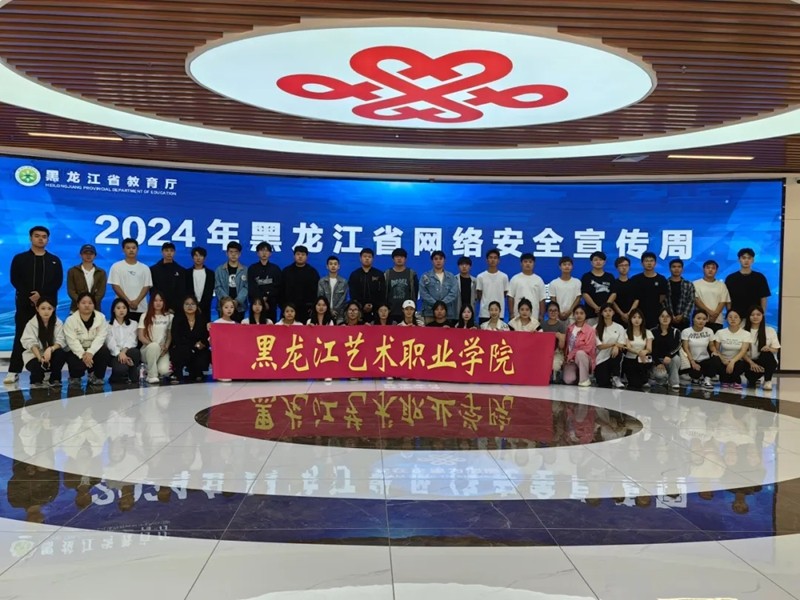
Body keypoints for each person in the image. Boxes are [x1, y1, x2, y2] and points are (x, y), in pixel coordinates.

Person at [6, 225, 63, 385]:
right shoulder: (20, 258)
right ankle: (13, 371)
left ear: (48, 239)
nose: (40, 239)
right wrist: (31, 296)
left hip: (47, 307)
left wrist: (41, 297)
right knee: (20, 336)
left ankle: (48, 369)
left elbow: (57, 282)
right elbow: (15, 279)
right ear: (31, 238)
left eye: (44, 236)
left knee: (49, 337)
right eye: (37, 236)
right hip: (25, 304)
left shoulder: (54, 260)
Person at [63, 292, 110, 387]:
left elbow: (101, 337)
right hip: (76, 350)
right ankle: (75, 377)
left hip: (93, 349)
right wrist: (83, 355)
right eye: (83, 303)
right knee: (77, 363)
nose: (87, 305)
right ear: (78, 304)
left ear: (94, 305)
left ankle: (97, 376)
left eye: (90, 303)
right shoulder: (70, 320)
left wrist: (90, 352)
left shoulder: (101, 318)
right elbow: (72, 341)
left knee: (104, 351)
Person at [20, 297, 67, 388]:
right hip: (34, 355)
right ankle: (36, 380)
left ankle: (55, 379)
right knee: (37, 367)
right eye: (43, 308)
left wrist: (50, 349)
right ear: (37, 309)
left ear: (53, 309)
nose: (46, 311)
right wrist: (40, 358)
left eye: (49, 308)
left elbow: (61, 340)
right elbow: (30, 343)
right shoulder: (31, 324)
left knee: (61, 353)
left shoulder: (58, 323)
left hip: (51, 353)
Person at [108, 237, 152, 322]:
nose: (131, 250)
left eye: (133, 248)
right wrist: (127, 302)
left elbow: (146, 286)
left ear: (137, 249)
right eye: (128, 248)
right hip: (121, 308)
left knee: (140, 330)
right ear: (123, 250)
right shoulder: (116, 266)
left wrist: (137, 301)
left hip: (141, 308)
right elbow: (115, 286)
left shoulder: (145, 268)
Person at [170, 294, 210, 383]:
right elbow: (176, 337)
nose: (190, 306)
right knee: (181, 351)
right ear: (183, 305)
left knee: (203, 355)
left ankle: (197, 372)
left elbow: (206, 336)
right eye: (187, 304)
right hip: (183, 347)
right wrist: (192, 345)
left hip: (198, 348)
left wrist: (202, 344)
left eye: (192, 304)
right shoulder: (177, 319)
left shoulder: (202, 319)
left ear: (196, 306)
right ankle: (177, 374)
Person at [137, 291, 173, 384]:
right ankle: (151, 375)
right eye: (155, 300)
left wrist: (166, 347)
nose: (158, 303)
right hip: (147, 348)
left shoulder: (169, 316)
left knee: (164, 371)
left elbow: (169, 336)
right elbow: (141, 336)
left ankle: (150, 368)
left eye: (161, 300)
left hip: (163, 350)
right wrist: (154, 345)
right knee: (154, 346)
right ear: (151, 302)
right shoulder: (144, 316)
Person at [725, 248, 771, 316]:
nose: (746, 260)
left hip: (754, 316)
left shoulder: (760, 277)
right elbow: (728, 299)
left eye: (749, 258)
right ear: (739, 260)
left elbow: (763, 297)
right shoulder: (730, 278)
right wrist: (730, 314)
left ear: (753, 260)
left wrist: (762, 314)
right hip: (736, 316)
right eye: (743, 258)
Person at [712, 309, 751, 389]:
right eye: (730, 317)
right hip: (724, 360)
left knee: (742, 364)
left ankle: (735, 380)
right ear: (726, 319)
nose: (733, 319)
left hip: (737, 361)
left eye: (736, 317)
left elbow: (743, 351)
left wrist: (732, 362)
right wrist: (723, 360)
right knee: (714, 359)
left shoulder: (746, 334)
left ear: (740, 319)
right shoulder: (720, 332)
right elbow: (716, 350)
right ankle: (725, 380)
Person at [680, 310, 719, 389]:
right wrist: (692, 362)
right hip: (691, 361)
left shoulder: (709, 331)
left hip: (705, 360)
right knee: (695, 374)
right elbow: (685, 348)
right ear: (693, 319)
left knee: (716, 358)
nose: (701, 321)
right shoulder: (686, 331)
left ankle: (707, 380)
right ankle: (695, 378)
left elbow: (711, 346)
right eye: (698, 318)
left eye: (704, 319)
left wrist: (715, 352)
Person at [744, 305, 780, 390]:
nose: (755, 317)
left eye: (758, 314)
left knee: (767, 354)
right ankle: (752, 379)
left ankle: (767, 380)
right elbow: (741, 352)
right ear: (749, 316)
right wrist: (752, 363)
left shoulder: (770, 330)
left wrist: (769, 348)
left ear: (762, 316)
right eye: (752, 315)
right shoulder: (743, 331)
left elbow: (776, 349)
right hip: (749, 362)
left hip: (763, 361)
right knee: (751, 381)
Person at [105, 298, 141, 384]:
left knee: (135, 352)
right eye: (118, 308)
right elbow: (110, 342)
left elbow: (132, 340)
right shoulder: (107, 325)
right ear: (113, 310)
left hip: (128, 352)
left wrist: (123, 352)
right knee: (120, 369)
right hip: (114, 354)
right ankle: (116, 376)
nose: (121, 310)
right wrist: (119, 353)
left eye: (124, 308)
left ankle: (132, 372)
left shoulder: (134, 324)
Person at [281, 245, 320, 322]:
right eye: (298, 254)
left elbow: (316, 292)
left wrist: (312, 307)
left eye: (303, 254)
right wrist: (283, 306)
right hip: (288, 309)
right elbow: (281, 290)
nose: (300, 256)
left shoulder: (312, 272)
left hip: (306, 310)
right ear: (294, 256)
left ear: (307, 257)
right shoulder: (286, 272)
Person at [630, 251, 668, 328]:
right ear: (642, 263)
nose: (649, 263)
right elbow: (633, 297)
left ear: (655, 263)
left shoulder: (661, 279)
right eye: (646, 261)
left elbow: (662, 297)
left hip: (656, 313)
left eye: (651, 261)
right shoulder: (635, 279)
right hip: (639, 314)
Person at [347, 248, 385, 324]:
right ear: (360, 258)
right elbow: (353, 293)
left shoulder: (379, 274)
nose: (367, 258)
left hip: (376, 310)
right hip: (359, 311)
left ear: (373, 259)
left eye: (369, 257)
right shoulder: (355, 274)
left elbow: (382, 292)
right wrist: (362, 305)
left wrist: (373, 305)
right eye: (364, 256)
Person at [247, 241, 281, 323]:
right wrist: (261, 300)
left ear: (270, 253)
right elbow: (252, 286)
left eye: (266, 251)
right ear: (257, 253)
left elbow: (277, 286)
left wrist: (267, 298)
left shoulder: (275, 269)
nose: (264, 253)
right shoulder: (252, 268)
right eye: (262, 250)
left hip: (271, 304)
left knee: (271, 326)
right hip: (256, 305)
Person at [420, 250, 459, 322]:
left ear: (444, 260)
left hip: (447, 312)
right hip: (429, 312)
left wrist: (442, 305)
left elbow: (453, 293)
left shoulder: (451, 277)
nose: (438, 261)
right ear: (432, 261)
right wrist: (436, 305)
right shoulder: (425, 276)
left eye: (440, 259)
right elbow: (423, 293)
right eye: (436, 259)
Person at [593, 303, 626, 389]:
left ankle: (616, 377)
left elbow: (622, 343)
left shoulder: (619, 327)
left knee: (617, 350)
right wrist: (614, 344)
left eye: (610, 310)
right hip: (600, 358)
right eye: (605, 311)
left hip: (613, 356)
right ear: (601, 313)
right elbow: (599, 346)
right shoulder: (595, 328)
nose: (608, 313)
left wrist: (616, 346)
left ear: (613, 312)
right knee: (603, 382)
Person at [66, 244, 107, 313]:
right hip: (76, 308)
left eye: (91, 253)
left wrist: (90, 303)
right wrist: (82, 303)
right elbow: (71, 291)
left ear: (95, 255)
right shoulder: (72, 271)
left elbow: (101, 292)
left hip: (95, 308)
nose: (88, 255)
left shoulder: (101, 272)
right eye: (85, 253)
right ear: (81, 255)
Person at [214, 241, 248, 322]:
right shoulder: (219, 269)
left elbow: (246, 287)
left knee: (238, 329)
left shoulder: (245, 270)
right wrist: (228, 301)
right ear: (227, 253)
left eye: (236, 252)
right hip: (224, 307)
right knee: (224, 328)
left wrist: (237, 301)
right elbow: (217, 287)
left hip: (239, 307)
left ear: (240, 254)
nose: (233, 254)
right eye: (231, 252)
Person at [692, 259, 729, 332]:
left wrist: (715, 315)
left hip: (717, 320)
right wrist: (710, 313)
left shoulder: (721, 285)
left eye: (713, 268)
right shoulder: (695, 284)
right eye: (708, 267)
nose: (710, 270)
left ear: (716, 270)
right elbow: (696, 300)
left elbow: (723, 301)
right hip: (700, 320)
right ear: (703, 269)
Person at [562, 306, 596, 387]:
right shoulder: (569, 328)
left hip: (585, 358)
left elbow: (589, 348)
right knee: (568, 380)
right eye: (576, 313)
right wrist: (566, 357)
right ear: (573, 315)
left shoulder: (590, 330)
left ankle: (584, 380)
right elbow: (566, 346)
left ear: (585, 315)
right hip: (571, 360)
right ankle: (577, 375)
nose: (579, 315)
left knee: (580, 353)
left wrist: (572, 354)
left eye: (581, 313)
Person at [580, 251, 616, 325]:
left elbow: (614, 293)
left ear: (604, 262)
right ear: (591, 262)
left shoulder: (610, 277)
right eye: (596, 260)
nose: (598, 262)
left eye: (600, 260)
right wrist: (596, 307)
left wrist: (605, 308)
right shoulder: (586, 277)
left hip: (607, 314)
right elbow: (585, 294)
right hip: (591, 314)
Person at [507, 253, 546, 321]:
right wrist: (511, 314)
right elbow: (510, 297)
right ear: (521, 263)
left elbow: (542, 299)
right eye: (525, 261)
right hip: (517, 316)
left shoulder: (538, 280)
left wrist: (541, 315)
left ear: (534, 264)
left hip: (534, 316)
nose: (528, 264)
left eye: (530, 262)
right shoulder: (515, 279)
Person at [621, 308, 653, 390]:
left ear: (642, 319)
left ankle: (645, 378)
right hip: (630, 360)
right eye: (634, 317)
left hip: (643, 359)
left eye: (639, 317)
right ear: (630, 319)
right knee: (635, 384)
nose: (637, 320)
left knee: (646, 360)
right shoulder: (625, 332)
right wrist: (639, 352)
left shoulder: (648, 332)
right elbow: (628, 347)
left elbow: (649, 349)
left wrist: (644, 351)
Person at [149, 242, 185, 314]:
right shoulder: (153, 270)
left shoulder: (181, 270)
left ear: (174, 252)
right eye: (166, 250)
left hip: (176, 309)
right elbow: (152, 289)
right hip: (158, 308)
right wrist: (159, 305)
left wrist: (174, 307)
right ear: (162, 252)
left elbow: (181, 291)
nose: (169, 253)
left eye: (171, 251)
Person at [650, 308, 682, 390]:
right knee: (660, 376)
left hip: (670, 359)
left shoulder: (676, 331)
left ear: (671, 318)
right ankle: (661, 378)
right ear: (658, 318)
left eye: (667, 316)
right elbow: (651, 350)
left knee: (676, 359)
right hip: (656, 360)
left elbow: (678, 346)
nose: (665, 318)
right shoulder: (652, 332)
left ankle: (674, 382)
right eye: (662, 316)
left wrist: (669, 355)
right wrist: (658, 363)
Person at [385, 248, 419, 323]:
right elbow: (384, 292)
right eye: (397, 257)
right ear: (393, 259)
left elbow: (415, 292)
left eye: (402, 257)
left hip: (408, 312)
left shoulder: (411, 274)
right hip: (391, 311)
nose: (399, 259)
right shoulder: (387, 274)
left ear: (405, 259)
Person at [476, 248, 509, 324]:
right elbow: (479, 294)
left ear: (498, 260)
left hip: (499, 313)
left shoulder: (504, 277)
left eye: (495, 258)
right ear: (487, 260)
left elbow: (504, 294)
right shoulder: (481, 276)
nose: (493, 260)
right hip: (484, 313)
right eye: (490, 258)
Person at [548, 257, 581, 323]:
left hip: (573, 316)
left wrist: (569, 312)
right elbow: (553, 300)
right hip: (557, 316)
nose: (567, 266)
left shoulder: (577, 282)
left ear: (572, 267)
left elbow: (578, 298)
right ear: (560, 267)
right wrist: (559, 313)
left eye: (569, 264)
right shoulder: (554, 283)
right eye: (564, 264)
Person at [664, 259, 695, 329]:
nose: (676, 269)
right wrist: (670, 315)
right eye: (674, 267)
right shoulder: (664, 283)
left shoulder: (688, 284)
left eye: (679, 267)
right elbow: (662, 301)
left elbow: (691, 301)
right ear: (670, 269)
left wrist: (682, 315)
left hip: (684, 320)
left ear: (682, 269)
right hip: (666, 319)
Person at [540, 302, 567, 381]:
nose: (553, 312)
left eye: (555, 310)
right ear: (547, 312)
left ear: (558, 312)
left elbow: (562, 346)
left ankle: (555, 375)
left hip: (557, 352)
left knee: (555, 366)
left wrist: (560, 337)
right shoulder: (542, 325)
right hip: (543, 352)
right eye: (550, 310)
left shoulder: (561, 326)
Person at [318, 255, 348, 322]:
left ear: (339, 266)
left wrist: (335, 310)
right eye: (331, 264)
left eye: (335, 264)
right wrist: (329, 310)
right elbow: (321, 297)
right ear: (327, 266)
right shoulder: (322, 281)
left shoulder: (344, 282)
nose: (333, 266)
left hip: (339, 314)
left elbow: (343, 299)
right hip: (325, 313)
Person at [186, 246, 215, 318]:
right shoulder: (186, 273)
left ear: (204, 258)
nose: (198, 258)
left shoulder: (210, 274)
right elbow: (186, 291)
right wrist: (194, 304)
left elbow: (210, 292)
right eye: (196, 255)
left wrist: (201, 306)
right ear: (192, 257)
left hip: (205, 308)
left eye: (201, 256)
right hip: (190, 307)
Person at [611, 256, 639, 326]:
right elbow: (612, 301)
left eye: (626, 265)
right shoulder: (613, 283)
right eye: (621, 265)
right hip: (616, 316)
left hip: (632, 316)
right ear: (617, 268)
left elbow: (636, 300)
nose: (624, 267)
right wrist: (622, 314)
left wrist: (629, 313)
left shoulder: (634, 283)